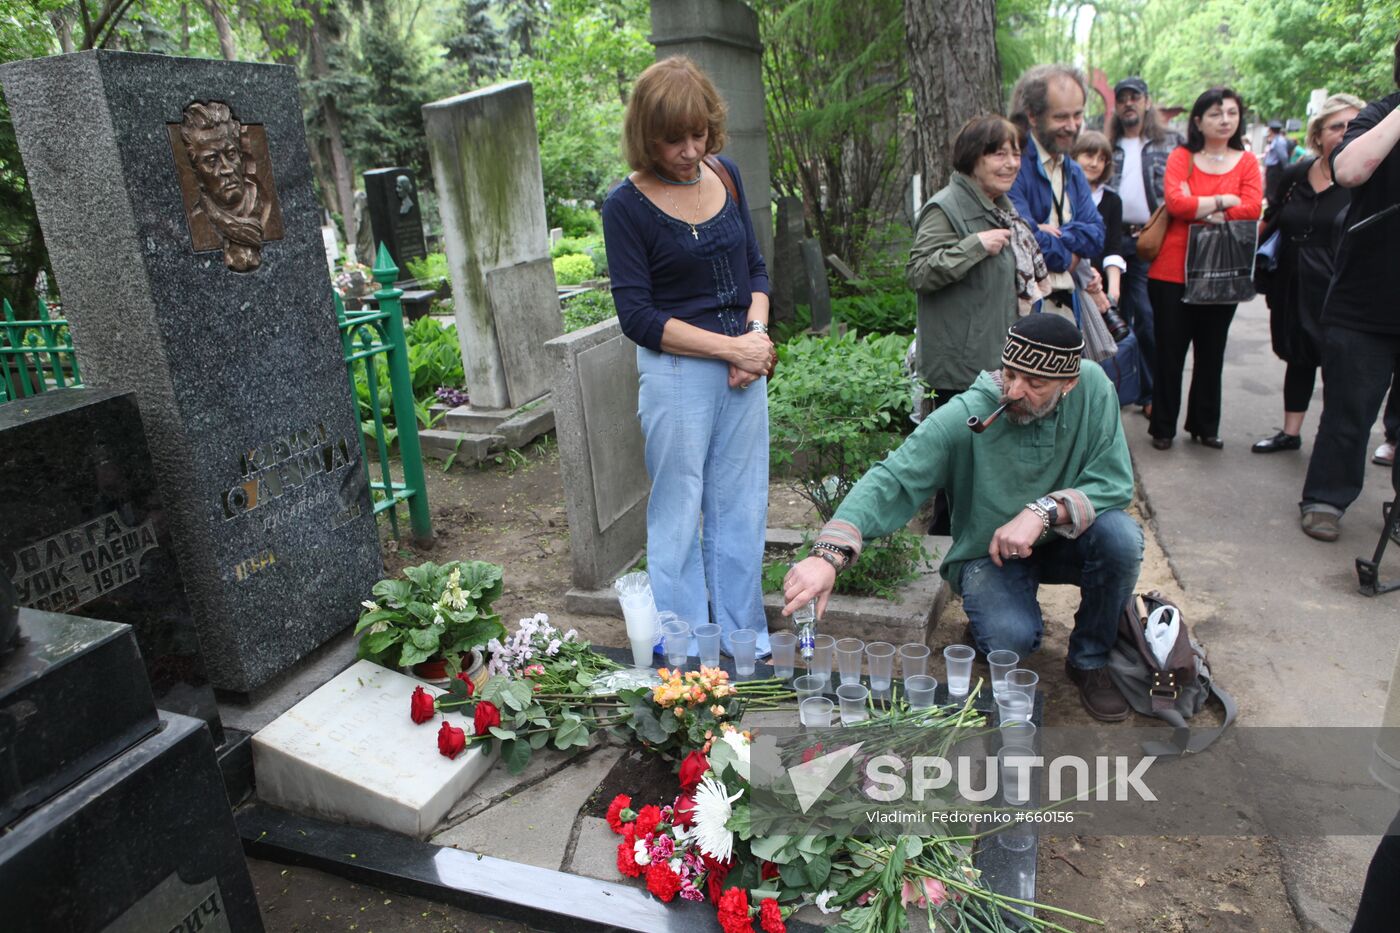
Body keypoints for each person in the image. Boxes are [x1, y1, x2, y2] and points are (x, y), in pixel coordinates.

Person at [781, 315, 1142, 722]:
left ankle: (1089, 660)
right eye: (1010, 374)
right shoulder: (969, 413)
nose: (1015, 390)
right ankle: (996, 617)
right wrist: (827, 554)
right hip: (993, 554)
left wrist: (1042, 511)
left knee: (1121, 540)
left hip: (1068, 538)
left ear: (1069, 384)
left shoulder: (1094, 387)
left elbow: (1113, 481)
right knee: (1010, 639)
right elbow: (895, 477)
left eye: (1036, 384)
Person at [602, 56, 774, 652]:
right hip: (676, 371)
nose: (688, 150)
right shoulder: (625, 205)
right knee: (679, 514)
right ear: (646, 136)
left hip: (743, 370)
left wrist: (755, 338)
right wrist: (731, 347)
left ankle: (742, 639)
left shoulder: (725, 174)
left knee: (742, 509)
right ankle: (683, 651)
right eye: (672, 138)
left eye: (698, 134)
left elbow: (755, 267)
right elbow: (638, 317)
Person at [1298, 35, 1400, 542]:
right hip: (1365, 301)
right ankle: (1326, 498)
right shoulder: (1379, 115)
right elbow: (1352, 169)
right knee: (1349, 410)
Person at [1147, 87, 1263, 450]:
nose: (1225, 119)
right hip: (1173, 272)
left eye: (1231, 112)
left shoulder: (1246, 162)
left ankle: (1204, 425)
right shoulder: (1182, 156)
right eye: (1216, 113)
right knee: (1170, 353)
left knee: (1211, 353)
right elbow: (1176, 203)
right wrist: (1224, 200)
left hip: (1223, 271)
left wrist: (1206, 207)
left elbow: (1252, 208)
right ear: (1198, 120)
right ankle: (1163, 427)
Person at [1252, 94, 1366, 453]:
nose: (1345, 133)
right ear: (1318, 134)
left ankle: (1333, 443)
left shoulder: (1366, 179)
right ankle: (1290, 432)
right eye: (1337, 126)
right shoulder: (1295, 174)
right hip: (1292, 280)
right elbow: (1273, 221)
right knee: (1297, 357)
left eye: (1353, 126)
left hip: (1340, 285)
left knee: (1339, 366)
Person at [908, 114, 1045, 408]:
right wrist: (975, 246)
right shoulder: (945, 208)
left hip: (999, 365)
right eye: (999, 154)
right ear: (973, 157)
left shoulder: (1003, 211)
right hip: (959, 377)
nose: (1012, 163)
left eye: (1016, 154)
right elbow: (919, 274)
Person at [1108, 76, 1183, 416]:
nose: (1128, 103)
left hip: (1150, 240)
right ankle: (1119, 387)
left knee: (1148, 319)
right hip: (1111, 239)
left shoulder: (1168, 142)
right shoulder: (1106, 144)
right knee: (1114, 319)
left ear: (1146, 102)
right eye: (1122, 98)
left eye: (1134, 97)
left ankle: (1151, 393)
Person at [1007, 64, 1105, 320]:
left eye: (1078, 115)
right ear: (1032, 116)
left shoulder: (1073, 170)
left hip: (1070, 307)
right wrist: (1073, 257)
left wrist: (1059, 234)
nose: (1072, 126)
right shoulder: (1013, 166)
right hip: (1025, 313)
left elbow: (1096, 234)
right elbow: (1026, 243)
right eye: (1061, 117)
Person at [178, 100, 271, 272]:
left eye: (231, 154)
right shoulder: (199, 218)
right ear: (196, 173)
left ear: (242, 158)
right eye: (211, 160)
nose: (227, 168)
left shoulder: (265, 204)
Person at [1071, 131, 1127, 327]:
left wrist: (1113, 291)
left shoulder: (1112, 200)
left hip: (1100, 286)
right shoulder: (1064, 194)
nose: (1094, 163)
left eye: (1101, 159)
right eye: (1089, 155)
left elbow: (1113, 247)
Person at [1264, 119, 1291, 203]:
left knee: (1273, 191)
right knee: (1270, 190)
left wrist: (1285, 169)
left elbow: (1283, 157)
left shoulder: (1279, 141)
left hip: (1275, 169)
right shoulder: (1275, 140)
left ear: (1271, 130)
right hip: (1272, 168)